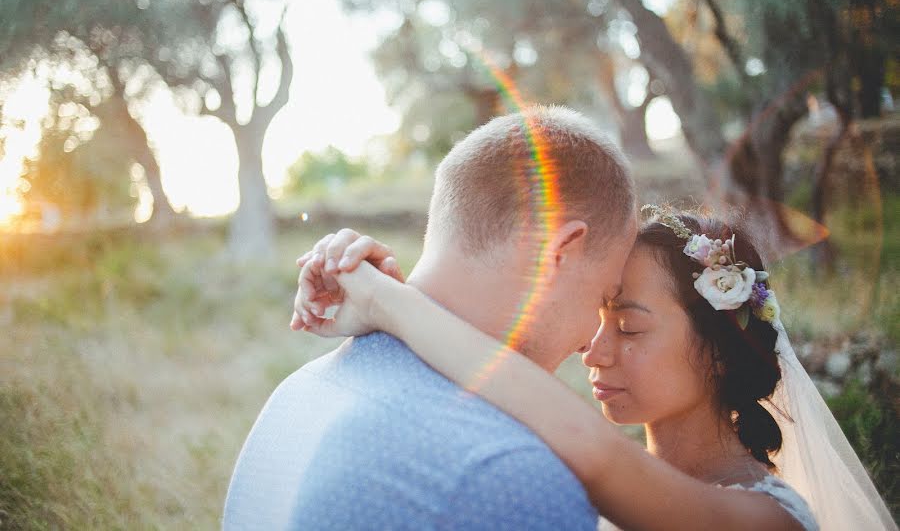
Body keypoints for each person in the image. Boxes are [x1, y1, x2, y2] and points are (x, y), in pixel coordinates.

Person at [294, 211, 897, 530]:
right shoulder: (582, 463)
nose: (594, 350)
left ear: (719, 350)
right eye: (598, 315)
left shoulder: (768, 520)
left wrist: (390, 304)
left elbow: (598, 454)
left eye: (630, 329)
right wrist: (389, 294)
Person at [223, 105, 638, 530]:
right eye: (603, 297)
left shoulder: (299, 391)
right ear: (560, 252)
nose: (591, 340)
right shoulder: (504, 469)